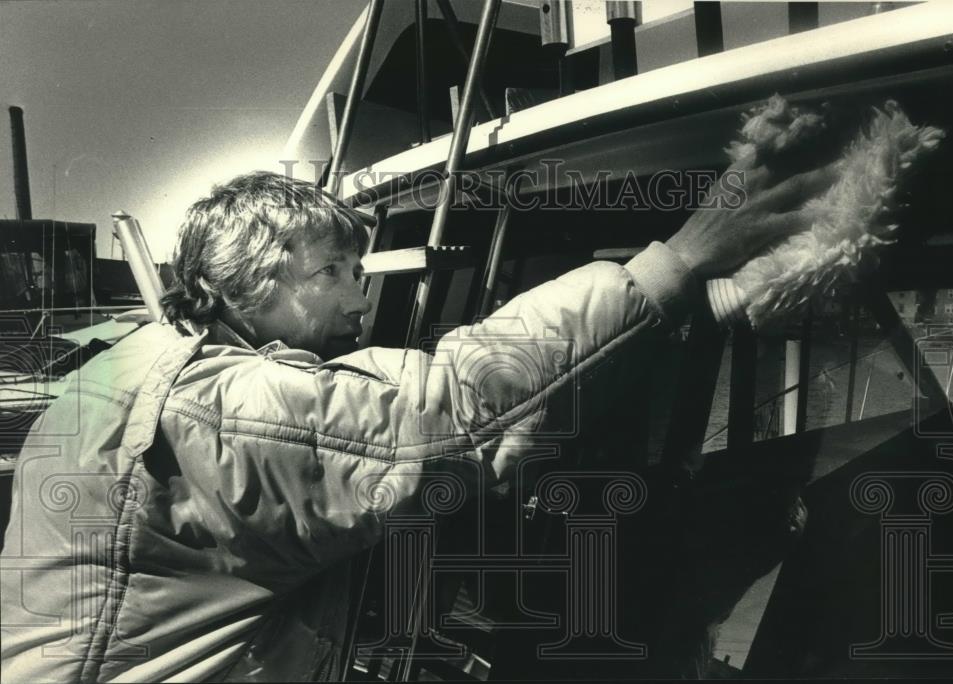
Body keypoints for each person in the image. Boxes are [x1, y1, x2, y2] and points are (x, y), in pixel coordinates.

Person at [0, 163, 831, 682]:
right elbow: (450, 404)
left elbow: (395, 461)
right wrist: (675, 263)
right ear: (248, 280)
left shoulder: (131, 367)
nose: (362, 299)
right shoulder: (216, 407)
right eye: (336, 271)